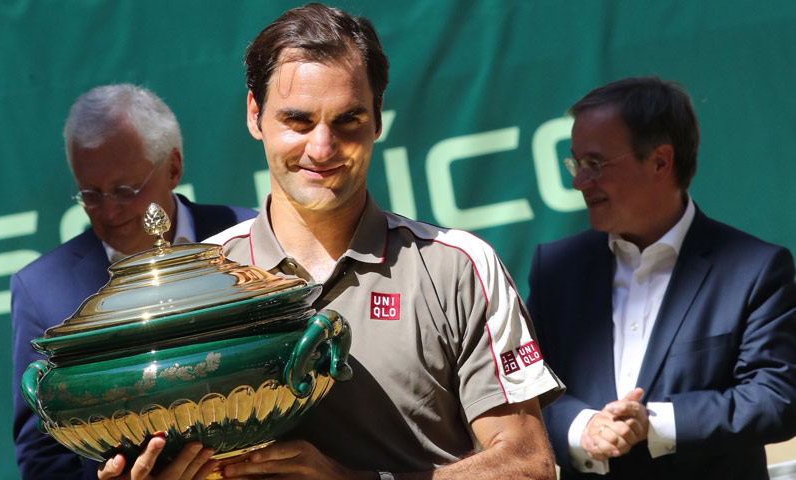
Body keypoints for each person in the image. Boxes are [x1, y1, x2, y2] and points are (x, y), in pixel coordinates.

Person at [100, 3, 564, 480]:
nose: (321, 149)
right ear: (255, 115)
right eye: (298, 121)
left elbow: (530, 465)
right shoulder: (194, 281)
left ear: (378, 119)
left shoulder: (459, 268)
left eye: (347, 121)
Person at [526, 76, 796, 479]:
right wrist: (584, 429)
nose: (579, 181)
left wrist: (655, 424)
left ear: (659, 162)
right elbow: (527, 392)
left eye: (595, 164)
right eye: (576, 162)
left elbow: (776, 399)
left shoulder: (754, 269)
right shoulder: (555, 269)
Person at [11, 84, 257, 480]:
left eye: (125, 190)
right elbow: (42, 456)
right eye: (90, 194)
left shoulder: (246, 236)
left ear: (173, 168)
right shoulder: (41, 289)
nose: (108, 209)